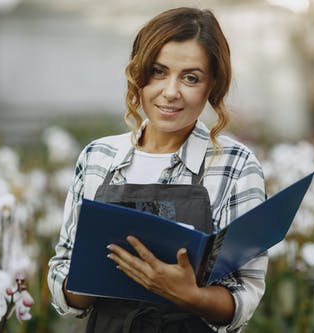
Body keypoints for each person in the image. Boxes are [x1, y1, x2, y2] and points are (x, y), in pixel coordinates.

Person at [48, 7, 267, 333]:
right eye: (158, 72)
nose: (170, 92)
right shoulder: (98, 157)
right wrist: (90, 276)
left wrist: (189, 295)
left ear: (213, 85)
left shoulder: (236, 165)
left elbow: (245, 292)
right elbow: (62, 278)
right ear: (138, 74)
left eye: (191, 78)